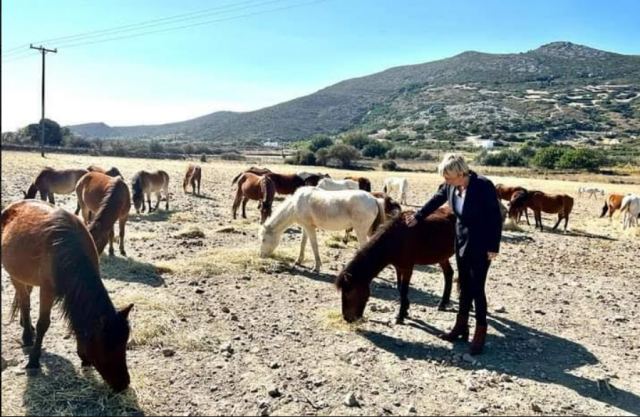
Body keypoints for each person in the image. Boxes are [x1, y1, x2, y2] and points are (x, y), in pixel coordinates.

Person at [407, 153, 502, 355]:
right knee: (464, 285)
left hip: (482, 244)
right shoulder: (450, 185)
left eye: (449, 177)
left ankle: (480, 331)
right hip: (461, 242)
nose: (446, 181)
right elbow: (436, 199)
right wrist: (418, 215)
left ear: (461, 172)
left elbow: (494, 217)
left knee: (477, 288)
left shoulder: (483, 185)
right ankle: (461, 327)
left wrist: (493, 246)